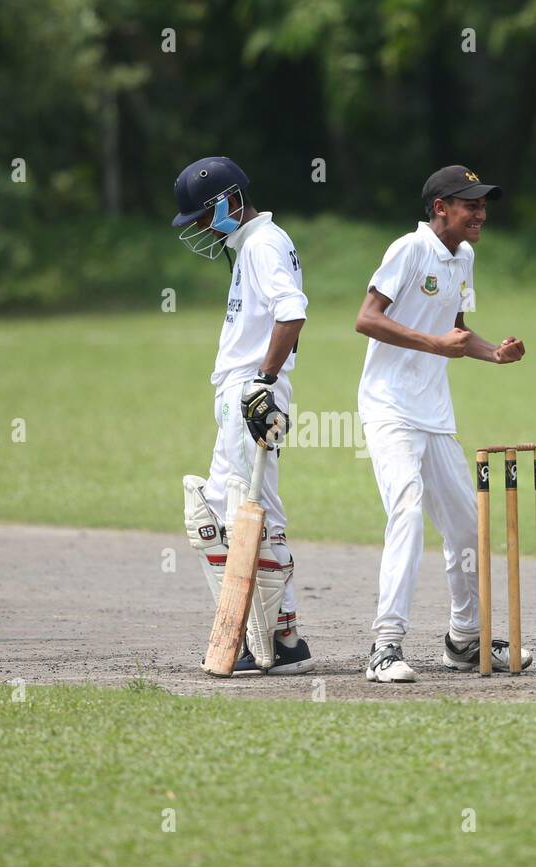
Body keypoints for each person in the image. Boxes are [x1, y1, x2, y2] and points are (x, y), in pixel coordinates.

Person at [355, 165, 527, 683]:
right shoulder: (409, 249)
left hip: (433, 412)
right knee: (407, 512)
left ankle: (465, 640)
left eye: (483, 205)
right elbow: (366, 318)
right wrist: (435, 344)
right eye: (470, 205)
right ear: (440, 208)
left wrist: (494, 353)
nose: (480, 214)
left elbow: (456, 330)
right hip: (389, 407)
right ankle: (385, 646)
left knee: (467, 526)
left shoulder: (464, 256)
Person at [173, 156, 313, 674]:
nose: (203, 229)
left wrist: (264, 383)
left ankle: (279, 639)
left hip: (252, 392)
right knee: (223, 510)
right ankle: (267, 635)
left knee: (249, 511)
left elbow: (292, 312)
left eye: (204, 217)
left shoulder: (262, 244)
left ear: (229, 201)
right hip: (244, 392)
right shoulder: (252, 244)